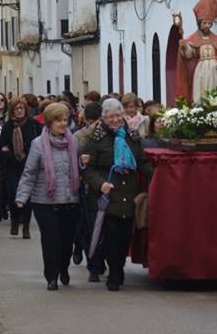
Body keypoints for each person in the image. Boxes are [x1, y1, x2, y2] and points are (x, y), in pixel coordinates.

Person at [82, 98, 153, 291]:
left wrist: (158, 175)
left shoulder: (132, 136)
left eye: (118, 115)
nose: (115, 120)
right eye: (111, 116)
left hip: (129, 193)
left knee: (124, 237)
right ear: (104, 118)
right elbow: (88, 170)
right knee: (111, 237)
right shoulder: (95, 139)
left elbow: (142, 161)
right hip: (106, 196)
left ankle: (118, 265)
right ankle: (114, 274)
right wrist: (100, 184)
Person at [16, 103, 82, 290]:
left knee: (66, 240)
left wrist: (83, 164)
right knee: (50, 240)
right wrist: (21, 197)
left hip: (69, 199)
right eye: (59, 120)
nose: (63, 124)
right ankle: (51, 276)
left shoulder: (74, 142)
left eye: (65, 120)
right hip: (44, 201)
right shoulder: (38, 144)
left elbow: (78, 170)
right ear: (49, 122)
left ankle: (64, 268)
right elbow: (30, 172)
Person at [175, 0, 217, 103]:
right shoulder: (193, 39)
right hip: (201, 69)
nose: (207, 26)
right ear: (199, 24)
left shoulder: (216, 39)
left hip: (215, 70)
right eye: (204, 23)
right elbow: (189, 55)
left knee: (216, 93)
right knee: (201, 93)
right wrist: (184, 46)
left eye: (209, 23)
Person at [0, 96, 40, 238]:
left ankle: (26, 226)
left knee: (27, 197)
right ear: (12, 111)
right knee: (13, 194)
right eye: (16, 108)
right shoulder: (8, 126)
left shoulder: (34, 125)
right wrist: (9, 154)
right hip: (11, 167)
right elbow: (2, 145)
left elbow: (39, 143)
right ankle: (15, 220)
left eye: (22, 108)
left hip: (29, 166)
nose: (19, 111)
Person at [73, 100, 103, 272]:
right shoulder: (78, 137)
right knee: (86, 226)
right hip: (84, 186)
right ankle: (91, 262)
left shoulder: (108, 135)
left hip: (101, 184)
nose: (95, 125)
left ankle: (98, 260)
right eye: (92, 121)